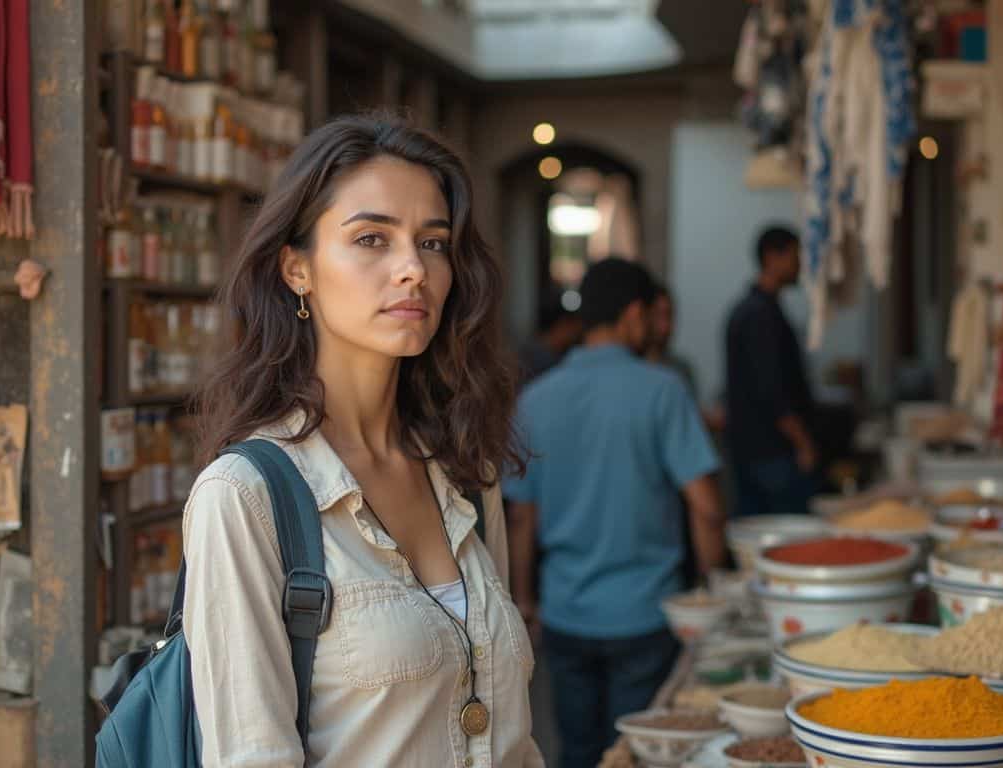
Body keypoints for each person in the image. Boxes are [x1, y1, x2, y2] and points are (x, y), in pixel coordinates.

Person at [184, 113, 543, 767]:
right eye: (372, 238)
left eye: (433, 244)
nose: (413, 269)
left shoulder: (465, 473)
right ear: (297, 269)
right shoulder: (246, 498)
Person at [504, 258, 726, 768]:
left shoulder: (535, 399)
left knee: (578, 750)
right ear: (633, 315)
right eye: (651, 315)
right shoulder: (663, 389)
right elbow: (707, 507)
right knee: (641, 755)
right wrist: (714, 588)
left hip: (567, 611)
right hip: (646, 612)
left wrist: (526, 599)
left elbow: (521, 516)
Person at [724, 225, 819, 517]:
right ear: (771, 257)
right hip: (771, 453)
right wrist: (803, 443)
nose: (800, 265)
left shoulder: (758, 310)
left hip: (756, 451)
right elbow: (771, 390)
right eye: (794, 256)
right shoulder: (759, 316)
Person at [645, 284, 699, 399]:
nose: (665, 326)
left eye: (669, 315)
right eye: (658, 315)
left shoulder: (681, 370)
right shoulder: (627, 369)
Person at [518, 292, 584, 384]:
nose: (577, 331)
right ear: (562, 325)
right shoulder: (537, 360)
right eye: (573, 325)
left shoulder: (527, 352)